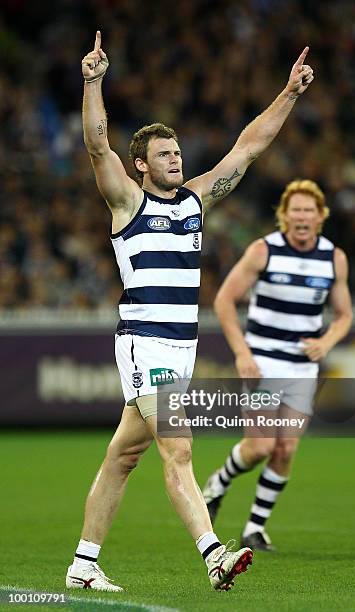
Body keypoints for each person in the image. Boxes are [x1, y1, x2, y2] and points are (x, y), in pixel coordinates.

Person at [66, 31, 314, 592]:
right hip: (145, 339)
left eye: (178, 153)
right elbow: (97, 146)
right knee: (177, 449)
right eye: (164, 155)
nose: (176, 160)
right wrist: (93, 81)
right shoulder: (128, 202)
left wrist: (290, 94)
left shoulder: (197, 201)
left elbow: (249, 145)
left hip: (180, 346)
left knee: (123, 456)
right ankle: (214, 555)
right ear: (141, 165)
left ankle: (83, 563)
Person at [203, 179, 352, 551]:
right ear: (284, 216)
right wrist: (242, 353)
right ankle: (218, 484)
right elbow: (224, 300)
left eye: (309, 210)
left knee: (286, 449)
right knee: (260, 447)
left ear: (320, 217)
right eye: (295, 210)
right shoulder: (262, 251)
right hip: (263, 364)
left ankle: (256, 526)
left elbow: (344, 315)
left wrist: (327, 341)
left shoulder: (334, 258)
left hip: (301, 369)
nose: (302, 216)